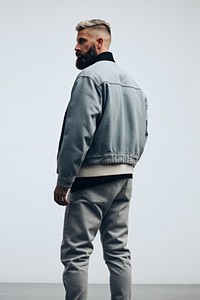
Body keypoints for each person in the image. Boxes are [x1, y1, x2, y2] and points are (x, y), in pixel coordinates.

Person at [54, 19, 148, 300]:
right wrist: (126, 165)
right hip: (123, 180)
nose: (76, 47)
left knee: (76, 253)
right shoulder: (134, 84)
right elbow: (143, 134)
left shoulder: (90, 78)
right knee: (118, 251)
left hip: (90, 180)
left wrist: (64, 180)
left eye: (82, 41)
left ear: (100, 43)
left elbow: (78, 132)